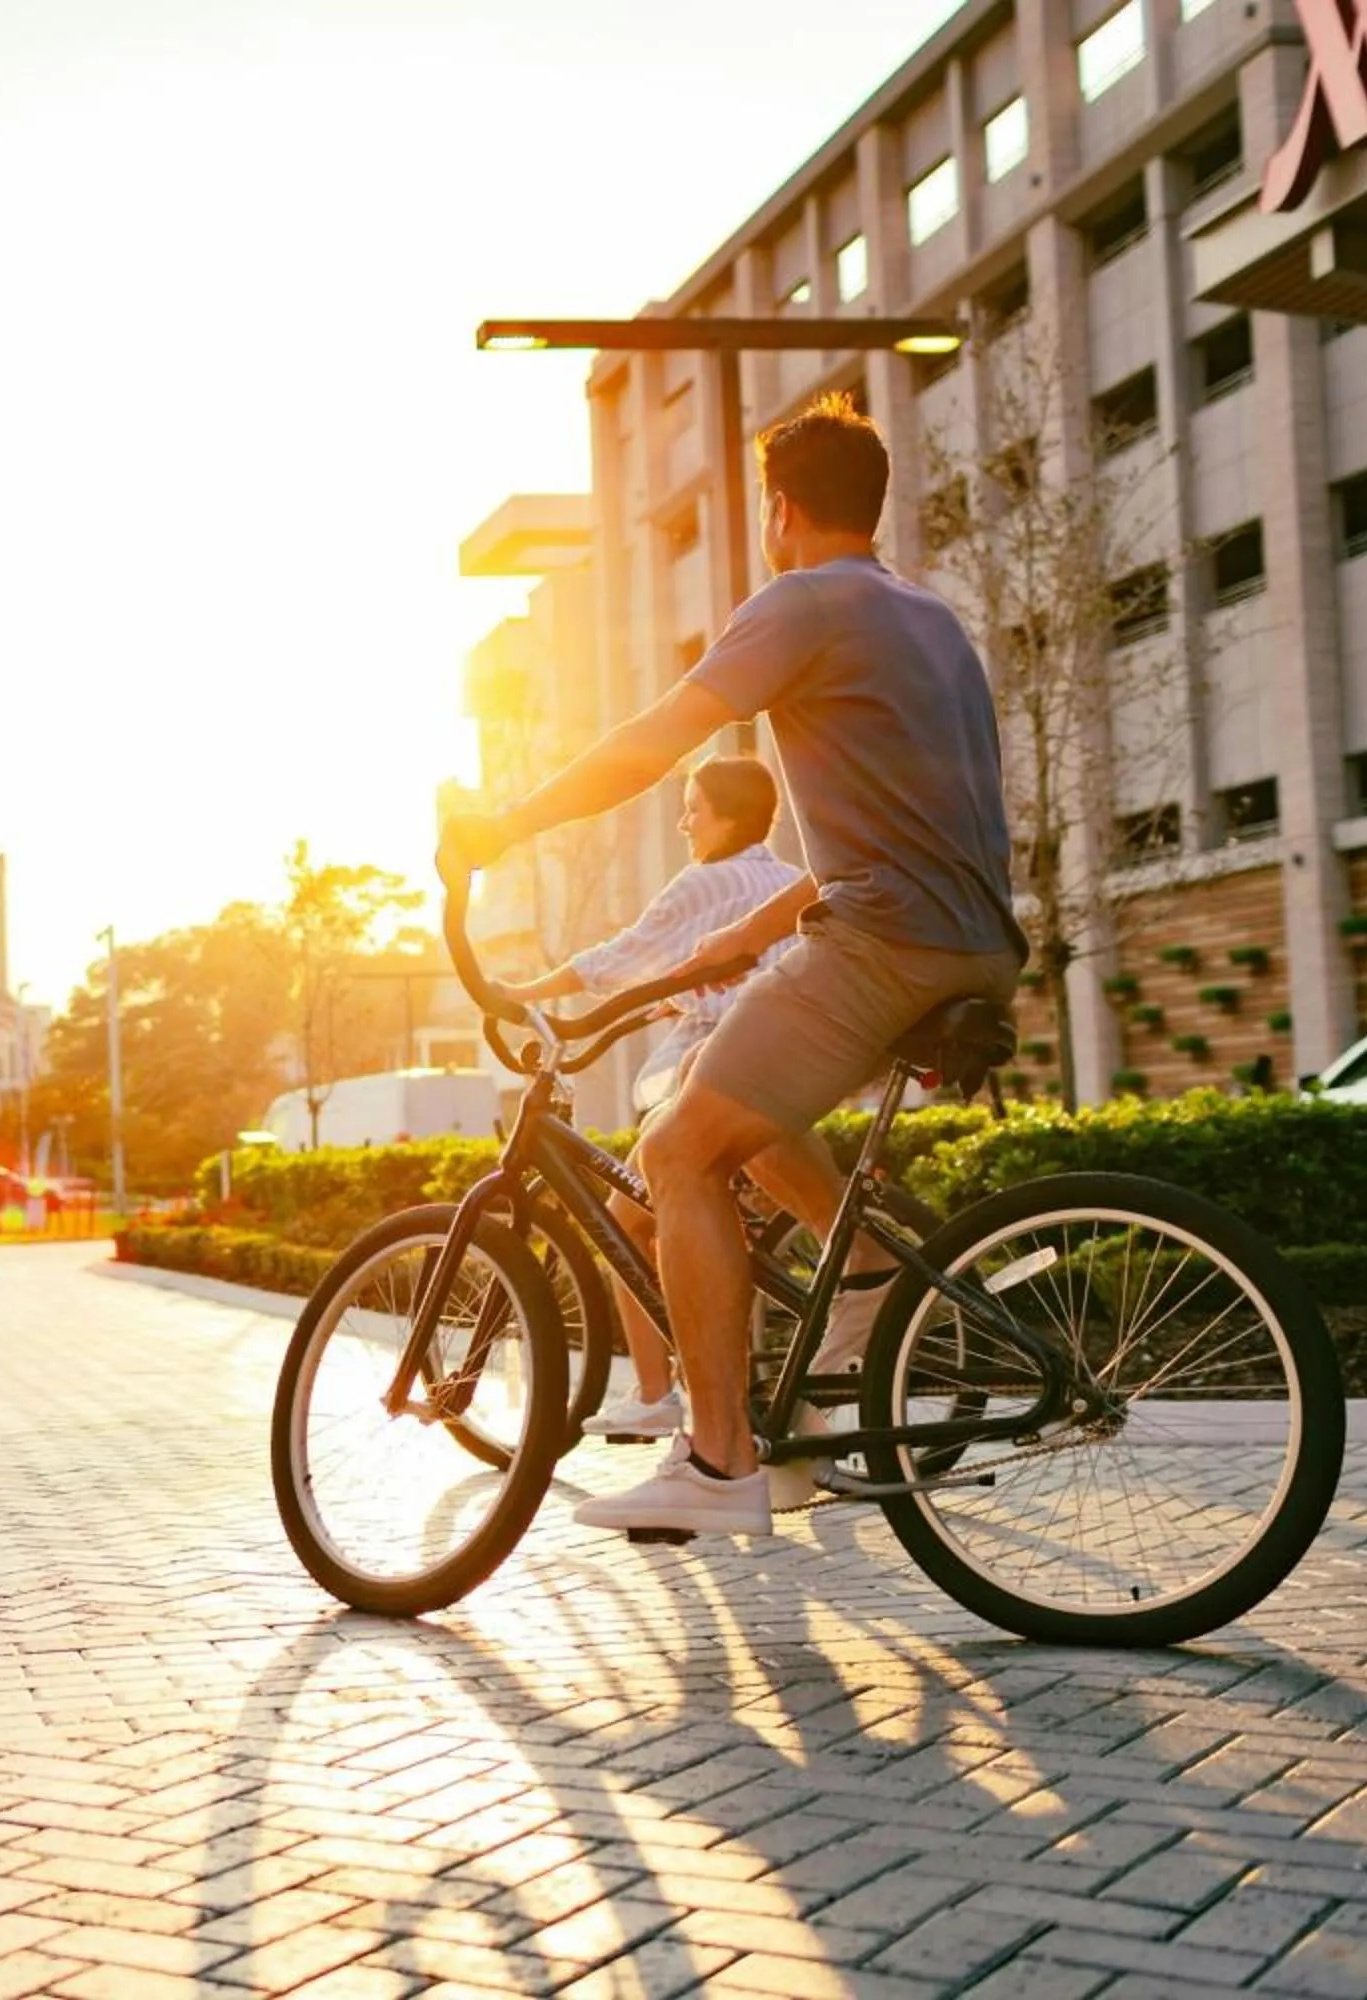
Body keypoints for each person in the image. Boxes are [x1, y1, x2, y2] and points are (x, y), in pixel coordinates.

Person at [441, 392, 1026, 1536]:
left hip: (885, 944)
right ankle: (844, 1325)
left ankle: (718, 1460)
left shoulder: (804, 601)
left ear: (782, 507)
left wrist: (504, 827)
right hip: (973, 938)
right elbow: (914, 834)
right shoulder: (931, 619)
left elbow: (655, 737)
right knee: (740, 1115)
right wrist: (744, 940)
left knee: (675, 1148)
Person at [486, 757, 800, 1441]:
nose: (685, 821)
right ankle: (704, 1392)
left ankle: (661, 1396)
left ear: (727, 815)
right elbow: (721, 972)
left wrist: (524, 994)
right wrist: (678, 999)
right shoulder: (782, 878)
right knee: (696, 1219)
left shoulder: (706, 881)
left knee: (628, 1221)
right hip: (782, 1067)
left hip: (719, 1072)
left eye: (694, 807)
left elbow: (625, 956)